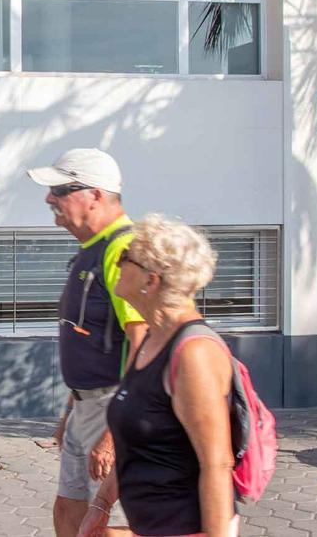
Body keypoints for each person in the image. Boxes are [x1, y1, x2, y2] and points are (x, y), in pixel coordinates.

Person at [80, 215, 237, 537]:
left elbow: (217, 465)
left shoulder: (194, 354)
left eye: (126, 258)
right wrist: (101, 505)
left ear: (150, 281)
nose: (118, 263)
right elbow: (134, 441)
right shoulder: (152, 339)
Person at [26, 148, 148, 537]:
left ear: (94, 194)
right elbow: (91, 340)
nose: (50, 199)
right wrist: (69, 412)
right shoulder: (91, 250)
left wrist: (114, 431)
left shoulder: (123, 251)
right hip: (85, 406)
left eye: (60, 190)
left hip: (114, 408)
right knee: (68, 513)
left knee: (104, 527)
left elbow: (145, 346)